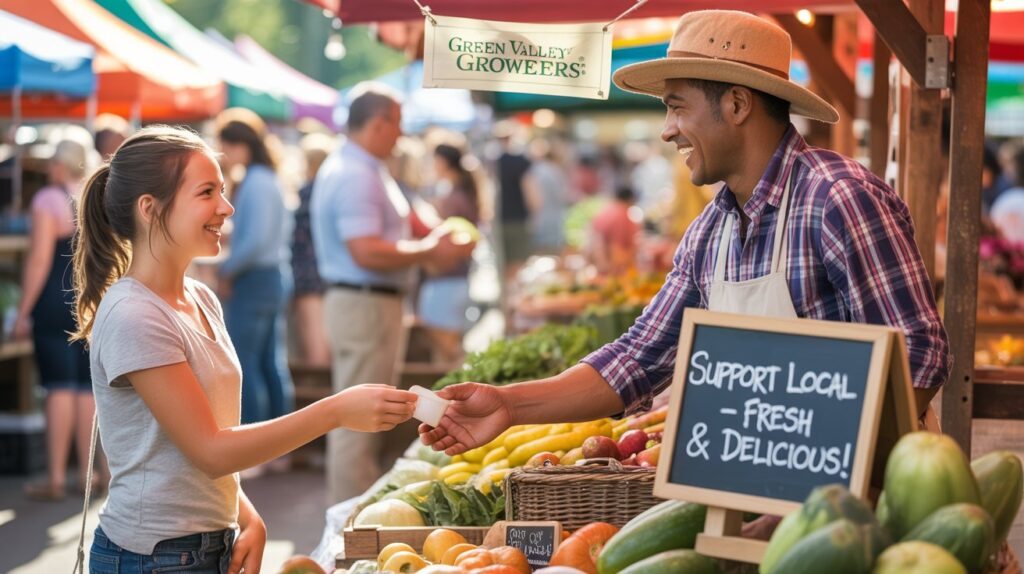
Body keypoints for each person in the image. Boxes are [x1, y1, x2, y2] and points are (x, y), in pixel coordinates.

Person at [420, 10, 949, 459]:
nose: (667, 129)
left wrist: (814, 460)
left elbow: (920, 358)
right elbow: (638, 357)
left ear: (737, 105)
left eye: (677, 107)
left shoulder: (838, 198)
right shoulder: (710, 233)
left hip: (859, 509)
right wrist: (510, 405)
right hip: (751, 490)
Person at [74, 126, 417, 573]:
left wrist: (244, 514)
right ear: (149, 209)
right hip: (152, 558)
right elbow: (210, 450)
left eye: (224, 188)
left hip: (204, 548)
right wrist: (334, 412)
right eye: (207, 192)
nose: (227, 206)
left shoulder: (201, 297)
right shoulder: (134, 314)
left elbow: (198, 444)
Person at [311, 84, 473, 504]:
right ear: (379, 123)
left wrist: (429, 239)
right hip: (364, 301)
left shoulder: (362, 167)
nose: (401, 133)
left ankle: (352, 514)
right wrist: (431, 249)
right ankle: (349, 521)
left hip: (368, 301)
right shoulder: (356, 173)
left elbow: (389, 234)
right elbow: (364, 249)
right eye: (397, 123)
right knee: (358, 419)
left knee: (364, 416)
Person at [15, 137, 106, 501]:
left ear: (57, 163)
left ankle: (55, 477)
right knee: (86, 388)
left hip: (54, 300)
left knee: (58, 386)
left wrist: (21, 312)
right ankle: (92, 477)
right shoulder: (95, 197)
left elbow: (38, 261)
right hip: (91, 299)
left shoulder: (48, 200)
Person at [216, 108, 295, 433]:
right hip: (271, 277)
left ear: (239, 145)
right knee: (267, 361)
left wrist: (227, 270)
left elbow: (254, 242)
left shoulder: (257, 181)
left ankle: (256, 440)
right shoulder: (267, 178)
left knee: (246, 363)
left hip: (257, 278)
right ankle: (279, 444)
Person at [419, 143, 482, 364]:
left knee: (449, 349)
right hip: (453, 280)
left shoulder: (455, 197)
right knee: (448, 349)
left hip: (448, 281)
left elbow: (458, 243)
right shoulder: (459, 193)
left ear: (443, 162)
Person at [290, 132, 335, 367]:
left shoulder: (309, 191)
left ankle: (320, 394)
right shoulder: (332, 190)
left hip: (308, 272)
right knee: (325, 334)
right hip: (328, 271)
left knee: (314, 337)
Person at [588, 186, 642, 274]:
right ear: (630, 199)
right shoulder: (622, 215)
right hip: (611, 268)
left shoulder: (605, 210)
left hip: (597, 263)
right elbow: (617, 250)